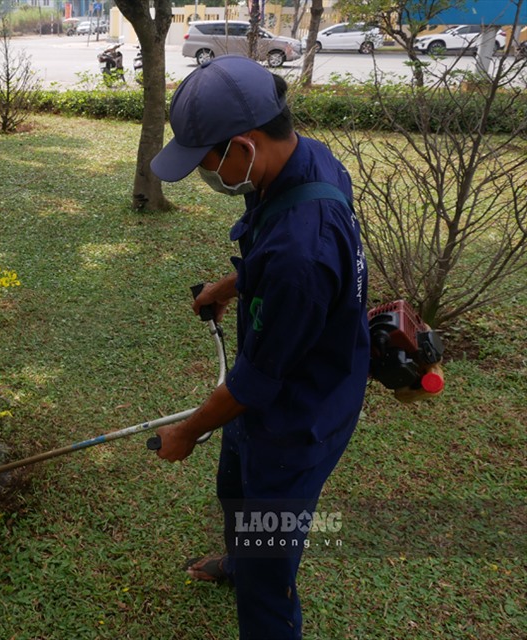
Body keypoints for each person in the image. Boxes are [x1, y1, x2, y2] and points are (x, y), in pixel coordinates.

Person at [149, 55, 369, 639]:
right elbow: (275, 250)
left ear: (243, 146)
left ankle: (260, 578)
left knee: (269, 568)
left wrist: (186, 432)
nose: (204, 174)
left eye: (206, 160)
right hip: (272, 386)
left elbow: (254, 384)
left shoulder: (303, 252)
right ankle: (241, 560)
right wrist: (232, 284)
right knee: (235, 488)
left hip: (299, 416)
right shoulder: (302, 159)